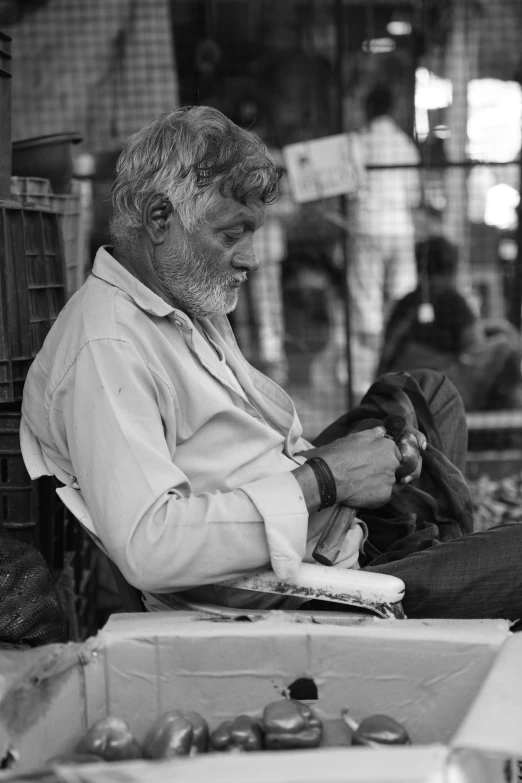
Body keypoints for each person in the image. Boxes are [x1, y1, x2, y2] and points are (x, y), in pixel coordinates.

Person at [22, 106, 522, 621]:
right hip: (309, 587)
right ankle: (438, 564)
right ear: (158, 219)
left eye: (252, 233)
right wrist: (327, 478)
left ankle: (436, 542)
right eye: (232, 234)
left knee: (427, 393)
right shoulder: (106, 350)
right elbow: (150, 547)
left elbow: (251, 450)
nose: (251, 258)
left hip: (318, 512)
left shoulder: (176, 297)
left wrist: (356, 460)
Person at [378, 236, 522, 412]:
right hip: (434, 390)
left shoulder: (406, 302)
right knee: (508, 346)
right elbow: (476, 347)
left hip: (394, 388)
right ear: (452, 266)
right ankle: (512, 420)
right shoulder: (453, 300)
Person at [347, 85, 421, 400]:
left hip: (366, 229)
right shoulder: (405, 145)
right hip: (400, 230)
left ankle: (363, 385)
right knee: (402, 301)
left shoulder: (357, 144)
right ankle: (399, 378)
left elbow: (348, 190)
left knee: (366, 306)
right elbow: (414, 196)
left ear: (366, 108)